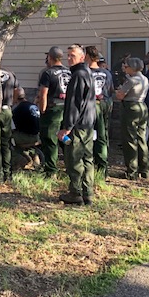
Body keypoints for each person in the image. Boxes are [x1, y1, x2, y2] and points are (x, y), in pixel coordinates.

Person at [57, 45, 96, 205]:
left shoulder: (78, 75)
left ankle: (76, 193)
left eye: (72, 55)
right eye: (67, 55)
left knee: (74, 159)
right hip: (87, 124)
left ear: (82, 57)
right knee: (87, 159)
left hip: (78, 126)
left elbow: (74, 104)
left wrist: (67, 126)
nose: (68, 58)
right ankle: (88, 193)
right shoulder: (88, 73)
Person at [38, 46, 71, 176]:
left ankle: (51, 170)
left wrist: (43, 110)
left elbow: (43, 94)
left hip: (53, 109)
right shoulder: (69, 72)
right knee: (65, 138)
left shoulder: (48, 73)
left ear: (50, 57)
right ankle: (70, 167)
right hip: (67, 109)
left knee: (50, 140)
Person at [116, 57, 149, 180]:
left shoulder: (131, 80)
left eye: (126, 66)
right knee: (142, 137)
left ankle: (132, 170)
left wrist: (118, 90)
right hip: (142, 106)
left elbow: (120, 95)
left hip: (131, 107)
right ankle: (145, 169)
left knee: (129, 138)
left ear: (132, 67)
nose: (125, 69)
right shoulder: (144, 78)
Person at [85, 46, 114, 178]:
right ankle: (103, 167)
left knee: (91, 134)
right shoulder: (106, 73)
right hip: (105, 103)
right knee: (103, 134)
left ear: (89, 57)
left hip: (92, 106)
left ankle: (92, 164)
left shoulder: (86, 72)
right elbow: (111, 89)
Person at [0, 68, 19, 181]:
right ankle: (8, 173)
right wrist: (13, 103)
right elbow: (17, 90)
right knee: (6, 143)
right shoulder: (11, 74)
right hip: (7, 110)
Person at [11, 88, 41, 170]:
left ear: (15, 97)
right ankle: (35, 158)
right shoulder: (33, 106)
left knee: (7, 139)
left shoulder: (18, 110)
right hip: (37, 136)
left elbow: (12, 126)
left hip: (26, 137)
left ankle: (19, 161)